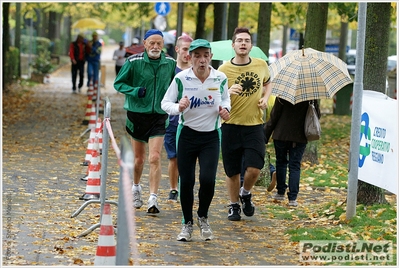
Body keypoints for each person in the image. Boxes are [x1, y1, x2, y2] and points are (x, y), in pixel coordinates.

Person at [161, 39, 231, 241]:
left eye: (205, 55)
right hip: (187, 135)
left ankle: (203, 216)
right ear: (189, 58)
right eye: (197, 56)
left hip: (211, 135)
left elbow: (226, 99)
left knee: (208, 180)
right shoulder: (181, 79)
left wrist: (226, 110)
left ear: (210, 56)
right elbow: (165, 103)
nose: (202, 60)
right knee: (187, 181)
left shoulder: (220, 78)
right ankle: (187, 224)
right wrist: (178, 108)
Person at [113, 29, 176, 214]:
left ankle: (153, 198)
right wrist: (135, 91)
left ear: (163, 44)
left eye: (159, 43)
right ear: (145, 43)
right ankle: (136, 187)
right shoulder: (134, 62)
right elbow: (118, 83)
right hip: (137, 114)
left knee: (155, 157)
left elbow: (177, 86)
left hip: (159, 115)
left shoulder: (170, 63)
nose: (155, 47)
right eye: (152, 43)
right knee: (139, 159)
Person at [218, 27, 272, 221]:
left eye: (246, 40)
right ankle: (233, 206)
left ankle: (245, 193)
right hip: (231, 125)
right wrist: (227, 91)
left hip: (254, 125)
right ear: (233, 45)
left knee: (255, 167)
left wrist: (265, 98)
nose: (243, 43)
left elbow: (268, 83)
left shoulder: (261, 65)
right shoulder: (223, 70)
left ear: (251, 45)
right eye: (239, 40)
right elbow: (214, 94)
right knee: (232, 170)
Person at [264, 98, 321, 207]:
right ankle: (293, 198)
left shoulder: (283, 95)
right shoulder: (310, 97)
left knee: (281, 162)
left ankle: (280, 192)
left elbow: (274, 116)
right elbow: (317, 115)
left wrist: (265, 135)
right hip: (299, 137)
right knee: (295, 166)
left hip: (281, 135)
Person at [164, 35, 193, 202]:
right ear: (177, 49)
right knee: (173, 157)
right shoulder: (170, 71)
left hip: (191, 121)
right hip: (173, 121)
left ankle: (186, 185)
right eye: (184, 49)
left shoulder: (196, 71)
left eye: (190, 50)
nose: (187, 53)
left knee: (188, 158)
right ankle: (173, 188)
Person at [240, 94, 277, 192]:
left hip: (253, 127)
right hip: (264, 129)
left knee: (247, 155)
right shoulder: (272, 99)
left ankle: (242, 182)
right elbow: (272, 117)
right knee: (259, 154)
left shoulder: (252, 98)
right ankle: (272, 170)